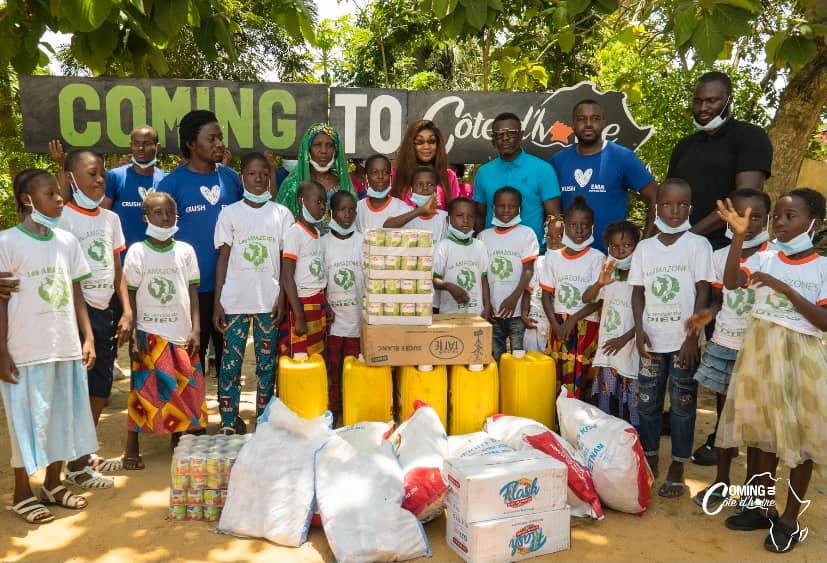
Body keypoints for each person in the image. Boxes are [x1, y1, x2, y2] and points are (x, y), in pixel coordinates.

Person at [714, 189, 826, 552]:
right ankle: (761, 508)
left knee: (801, 439)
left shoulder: (822, 267)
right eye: (777, 216)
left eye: (790, 216)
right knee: (762, 436)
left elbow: (824, 321)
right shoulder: (765, 256)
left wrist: (786, 290)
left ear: (814, 223)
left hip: (801, 358)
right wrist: (739, 238)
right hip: (760, 354)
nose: (780, 222)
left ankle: (790, 519)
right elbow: (732, 281)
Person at [0, 169, 98, 523]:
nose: (59, 199)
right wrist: (2, 352)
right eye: (50, 194)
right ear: (27, 200)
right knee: (24, 423)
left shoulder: (67, 241)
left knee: (62, 418)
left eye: (59, 192)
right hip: (25, 349)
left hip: (64, 345)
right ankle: (22, 492)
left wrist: (87, 336)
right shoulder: (7, 242)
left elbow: (76, 293)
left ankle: (53, 484)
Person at [684, 188, 773, 509]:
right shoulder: (720, 256)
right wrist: (707, 314)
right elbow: (720, 299)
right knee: (726, 419)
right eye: (739, 215)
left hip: (759, 350)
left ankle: (753, 490)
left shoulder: (774, 256)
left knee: (756, 424)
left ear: (767, 219)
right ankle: (721, 482)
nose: (746, 223)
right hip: (725, 345)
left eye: (755, 216)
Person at [629, 178, 714, 497]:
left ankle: (678, 463)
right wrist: (639, 330)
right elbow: (638, 293)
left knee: (682, 405)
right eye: (667, 204)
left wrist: (692, 338)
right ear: (657, 207)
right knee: (647, 403)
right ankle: (650, 456)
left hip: (683, 344)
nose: (674, 211)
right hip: (652, 340)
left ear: (690, 208)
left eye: (682, 205)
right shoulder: (645, 248)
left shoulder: (698, 245)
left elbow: (703, 291)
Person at [58, 150, 132, 482]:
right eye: (91, 174)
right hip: (76, 312)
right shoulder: (63, 218)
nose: (99, 179)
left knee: (101, 384)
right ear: (71, 178)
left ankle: (84, 453)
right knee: (76, 386)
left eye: (102, 173)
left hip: (106, 311)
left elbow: (117, 269)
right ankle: (73, 462)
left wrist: (126, 310)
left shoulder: (111, 219)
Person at [122, 192, 205, 470]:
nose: (165, 217)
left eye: (170, 212)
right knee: (143, 391)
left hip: (180, 332)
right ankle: (131, 447)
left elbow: (193, 292)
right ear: (145, 217)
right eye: (158, 213)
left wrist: (196, 328)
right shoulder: (137, 252)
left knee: (182, 387)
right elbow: (130, 294)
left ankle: (178, 439)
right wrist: (134, 331)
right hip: (149, 332)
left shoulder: (185, 251)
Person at [158, 110, 243, 378]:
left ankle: (227, 405)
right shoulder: (171, 184)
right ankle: (196, 407)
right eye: (211, 138)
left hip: (230, 288)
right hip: (190, 291)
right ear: (191, 144)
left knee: (230, 362)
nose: (219, 144)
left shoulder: (231, 178)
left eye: (220, 137)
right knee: (190, 363)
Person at [213, 153, 291, 435]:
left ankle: (264, 419)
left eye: (263, 174)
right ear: (242, 177)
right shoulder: (230, 213)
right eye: (252, 174)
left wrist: (282, 297)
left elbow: (285, 260)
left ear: (269, 177)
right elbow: (223, 258)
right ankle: (228, 420)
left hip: (268, 302)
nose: (258, 179)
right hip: (234, 301)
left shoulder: (281, 214)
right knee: (230, 365)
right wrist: (218, 302)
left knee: (266, 366)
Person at [668, 71, 773, 251]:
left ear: (729, 100)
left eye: (711, 101)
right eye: (697, 101)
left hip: (726, 248)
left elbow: (744, 200)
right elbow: (667, 198)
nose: (702, 108)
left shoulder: (750, 137)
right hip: (680, 247)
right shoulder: (684, 146)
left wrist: (690, 237)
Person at [550, 100, 657, 251]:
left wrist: (644, 245)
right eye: (581, 119)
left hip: (611, 257)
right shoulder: (558, 160)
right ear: (573, 124)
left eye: (595, 118)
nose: (588, 124)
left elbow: (656, 197)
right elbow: (550, 210)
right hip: (568, 258)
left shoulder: (622, 157)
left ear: (603, 123)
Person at [540, 197, 604, 398]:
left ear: (592, 228)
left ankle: (581, 414)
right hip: (558, 325)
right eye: (573, 225)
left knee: (582, 378)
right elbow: (546, 296)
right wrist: (555, 325)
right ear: (565, 226)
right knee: (557, 376)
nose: (579, 230)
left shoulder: (597, 258)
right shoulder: (553, 257)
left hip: (586, 325)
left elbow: (598, 300)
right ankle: (558, 414)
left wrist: (574, 319)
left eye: (584, 225)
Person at [474, 112, 561, 251]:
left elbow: (554, 216)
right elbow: (479, 216)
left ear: (521, 135)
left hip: (532, 253)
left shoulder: (543, 169)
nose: (505, 138)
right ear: (493, 140)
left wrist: (553, 253)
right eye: (499, 134)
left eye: (512, 133)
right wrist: (478, 249)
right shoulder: (483, 172)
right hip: (491, 253)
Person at [584, 220, 642, 428]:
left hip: (630, 347)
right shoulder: (607, 271)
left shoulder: (642, 274)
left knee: (630, 398)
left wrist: (624, 339)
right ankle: (609, 436)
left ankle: (630, 438)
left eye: (627, 245)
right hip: (608, 349)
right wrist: (599, 283)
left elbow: (645, 316)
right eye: (615, 246)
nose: (621, 250)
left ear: (636, 246)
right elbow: (587, 298)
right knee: (607, 398)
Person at [479, 187, 539, 361]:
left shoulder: (527, 234)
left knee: (518, 359)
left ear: (520, 208)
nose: (506, 210)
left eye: (512, 206)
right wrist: (487, 305)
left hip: (517, 312)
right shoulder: (483, 237)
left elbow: (528, 270)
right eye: (501, 205)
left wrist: (514, 298)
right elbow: (483, 277)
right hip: (494, 313)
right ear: (493, 207)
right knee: (494, 357)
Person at [322, 191, 363, 421]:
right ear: (331, 212)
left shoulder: (363, 241)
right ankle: (335, 409)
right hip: (334, 323)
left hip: (357, 321)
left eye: (351, 210)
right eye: (341, 210)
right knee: (333, 367)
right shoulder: (323, 243)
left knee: (353, 369)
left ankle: (352, 409)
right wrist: (325, 306)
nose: (347, 214)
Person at [280, 181, 328, 357]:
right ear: (302, 201)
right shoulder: (295, 233)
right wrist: (298, 315)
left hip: (318, 300)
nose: (322, 207)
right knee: (300, 355)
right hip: (301, 303)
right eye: (318, 201)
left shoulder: (317, 233)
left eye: (324, 202)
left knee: (315, 351)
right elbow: (287, 276)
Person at [102, 126, 168, 250]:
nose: (140, 149)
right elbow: (102, 217)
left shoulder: (166, 180)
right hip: (122, 256)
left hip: (157, 255)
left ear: (157, 147)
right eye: (136, 144)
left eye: (146, 144)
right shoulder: (115, 176)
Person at [276, 123, 356, 220]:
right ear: (308, 149)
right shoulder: (292, 184)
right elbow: (280, 220)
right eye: (317, 145)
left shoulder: (344, 183)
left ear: (335, 151)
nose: (323, 151)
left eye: (329, 145)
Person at [433, 197, 491, 317]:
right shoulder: (443, 246)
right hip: (450, 314)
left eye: (470, 216)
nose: (465, 220)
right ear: (448, 220)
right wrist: (448, 286)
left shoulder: (480, 246)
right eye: (460, 215)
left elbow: (483, 279)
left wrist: (487, 307)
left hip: (477, 313)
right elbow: (434, 279)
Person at [392, 120, 461, 210]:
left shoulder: (449, 176)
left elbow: (455, 211)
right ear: (410, 145)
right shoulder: (397, 173)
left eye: (431, 141)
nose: (426, 146)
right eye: (420, 142)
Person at [523, 215, 565, 352]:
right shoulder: (538, 262)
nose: (553, 240)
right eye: (549, 236)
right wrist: (524, 315)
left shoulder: (570, 265)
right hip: (535, 323)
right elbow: (528, 291)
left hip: (557, 325)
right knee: (533, 361)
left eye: (559, 236)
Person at [355, 154, 418, 232]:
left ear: (390, 176)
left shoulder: (403, 208)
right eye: (375, 172)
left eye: (385, 172)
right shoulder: (358, 209)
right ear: (366, 177)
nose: (380, 176)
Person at [387, 166, 448, 243]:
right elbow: (386, 226)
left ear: (436, 189)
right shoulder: (404, 211)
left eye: (430, 184)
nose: (425, 188)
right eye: (419, 184)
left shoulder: (444, 217)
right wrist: (419, 211)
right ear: (412, 189)